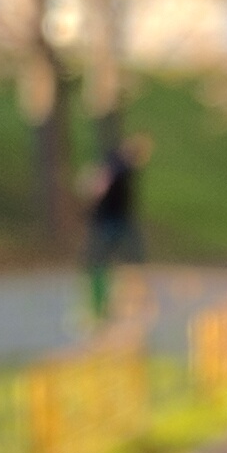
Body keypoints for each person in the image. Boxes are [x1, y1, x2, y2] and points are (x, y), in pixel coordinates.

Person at [84, 131, 150, 321]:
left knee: (104, 262)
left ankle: (106, 305)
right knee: (104, 262)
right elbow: (97, 186)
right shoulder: (119, 168)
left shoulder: (118, 167)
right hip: (111, 222)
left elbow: (95, 186)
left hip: (114, 221)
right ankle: (103, 305)